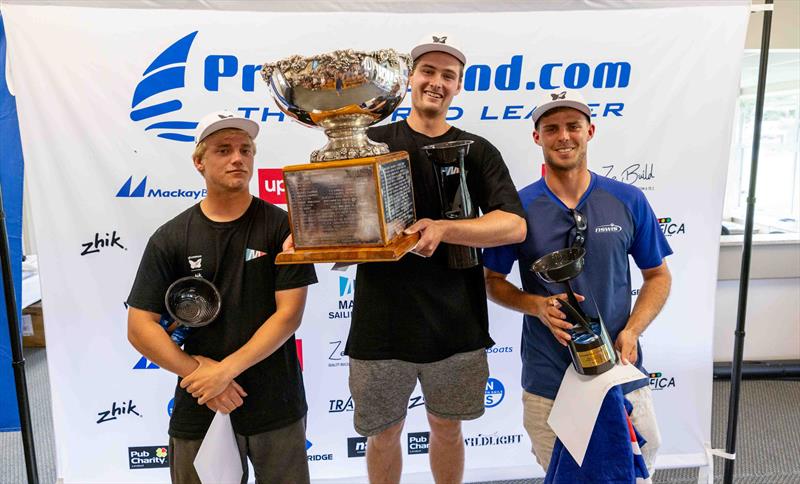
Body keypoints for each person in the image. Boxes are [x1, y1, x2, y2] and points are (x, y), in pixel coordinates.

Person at [345, 35, 527, 484]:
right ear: (410, 78)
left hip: (456, 321)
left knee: (447, 428)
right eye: (428, 72)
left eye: (449, 76)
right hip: (381, 323)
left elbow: (514, 225)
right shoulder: (369, 142)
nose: (436, 82)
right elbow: (339, 213)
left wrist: (446, 228)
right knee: (383, 434)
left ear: (458, 87)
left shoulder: (477, 150)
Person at [483, 90, 672, 475]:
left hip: (620, 371)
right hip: (549, 379)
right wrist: (537, 306)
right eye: (551, 129)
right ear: (537, 138)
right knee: (561, 476)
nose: (563, 136)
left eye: (573, 126)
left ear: (590, 131)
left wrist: (633, 331)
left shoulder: (627, 199)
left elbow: (657, 276)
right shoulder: (517, 211)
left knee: (630, 475)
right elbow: (493, 281)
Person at [127, 111, 317, 484]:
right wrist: (201, 374)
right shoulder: (170, 237)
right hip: (199, 402)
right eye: (224, 150)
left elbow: (289, 315)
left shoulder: (283, 226)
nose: (238, 158)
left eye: (246, 150)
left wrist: (223, 373)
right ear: (199, 162)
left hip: (274, 401)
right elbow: (139, 327)